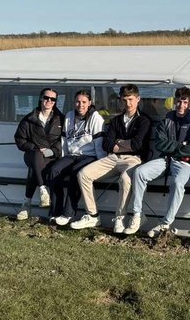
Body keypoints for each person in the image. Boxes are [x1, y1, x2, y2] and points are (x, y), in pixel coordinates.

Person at [70, 84, 151, 230]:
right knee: (83, 174)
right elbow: (107, 145)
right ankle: (93, 216)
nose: (128, 103)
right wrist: (122, 144)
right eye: (124, 100)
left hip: (133, 159)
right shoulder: (116, 120)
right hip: (113, 158)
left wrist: (118, 142)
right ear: (120, 100)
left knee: (125, 179)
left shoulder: (144, 120)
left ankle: (120, 217)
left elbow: (138, 144)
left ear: (138, 99)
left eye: (131, 99)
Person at [123, 87, 190, 238]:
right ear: (174, 102)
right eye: (178, 102)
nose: (181, 105)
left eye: (184, 102)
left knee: (178, 183)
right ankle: (137, 215)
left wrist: (174, 147)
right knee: (139, 172)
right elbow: (160, 144)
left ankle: (166, 223)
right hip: (165, 159)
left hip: (184, 163)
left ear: (189, 104)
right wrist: (180, 145)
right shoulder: (167, 119)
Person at [46, 90, 105, 225]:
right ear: (74, 102)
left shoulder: (96, 118)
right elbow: (64, 141)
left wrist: (101, 163)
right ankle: (55, 211)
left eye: (84, 102)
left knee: (75, 173)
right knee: (54, 170)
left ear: (89, 103)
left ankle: (68, 214)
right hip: (72, 155)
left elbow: (99, 143)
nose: (80, 105)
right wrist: (63, 159)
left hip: (90, 156)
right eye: (78, 102)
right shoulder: (69, 116)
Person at [13, 87, 64, 220]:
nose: (49, 101)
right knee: (36, 156)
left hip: (51, 155)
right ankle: (43, 189)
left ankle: (26, 204)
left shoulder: (61, 119)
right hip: (31, 154)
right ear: (41, 98)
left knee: (34, 170)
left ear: (56, 101)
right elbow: (20, 139)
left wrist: (52, 151)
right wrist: (34, 147)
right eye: (46, 98)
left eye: (53, 99)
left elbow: (64, 139)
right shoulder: (29, 119)